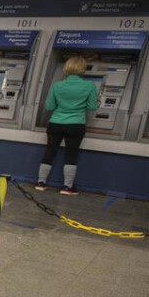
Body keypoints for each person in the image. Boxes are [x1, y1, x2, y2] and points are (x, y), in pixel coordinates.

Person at [35, 56, 97, 195]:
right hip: (76, 124)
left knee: (50, 152)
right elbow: (92, 107)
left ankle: (40, 183)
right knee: (71, 155)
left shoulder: (58, 85)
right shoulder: (89, 86)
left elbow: (49, 105)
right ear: (82, 68)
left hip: (56, 123)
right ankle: (67, 187)